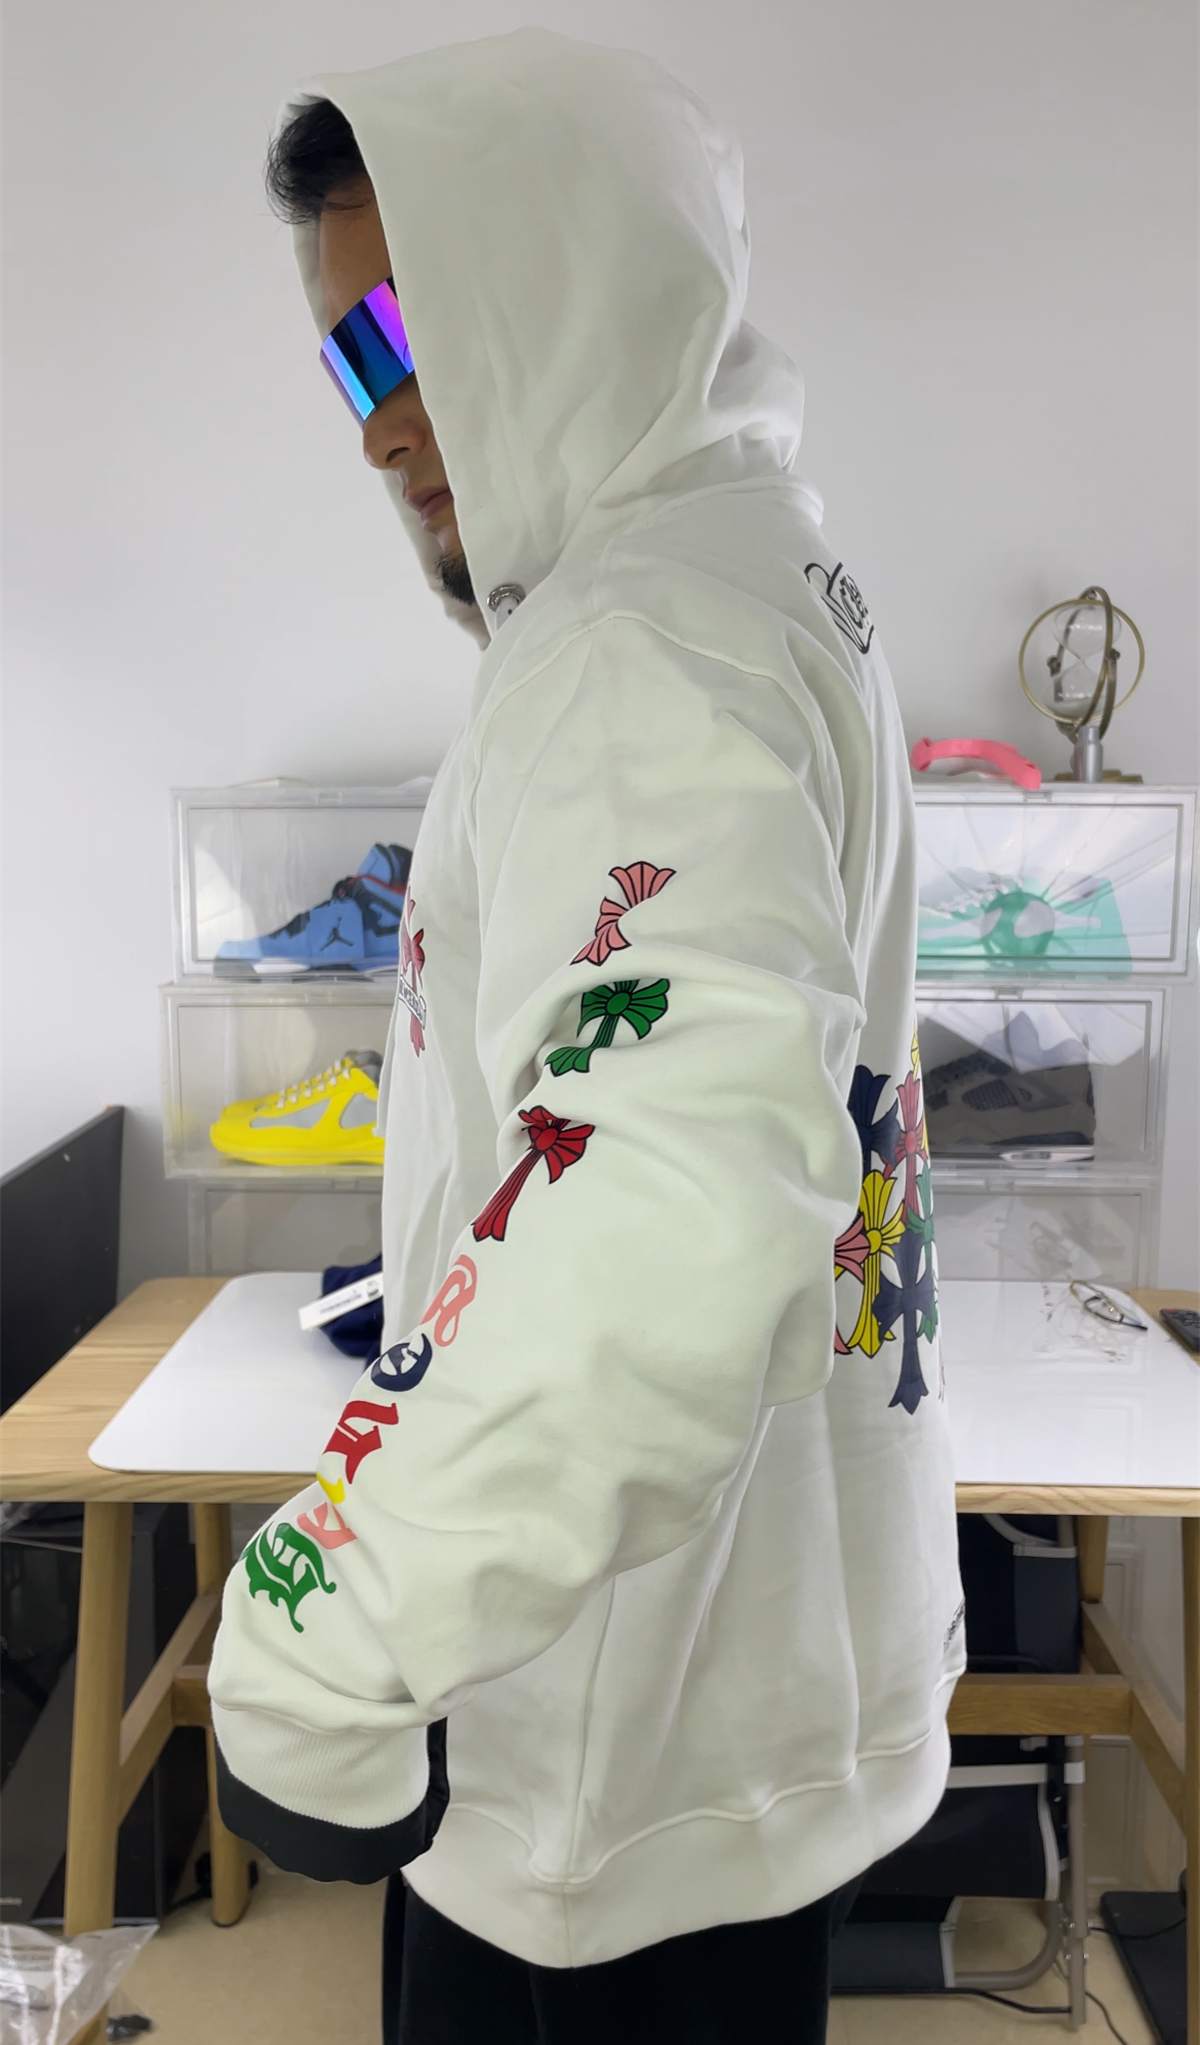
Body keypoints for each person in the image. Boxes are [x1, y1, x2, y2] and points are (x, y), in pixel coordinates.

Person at [207, 29, 964, 2044]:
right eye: (346, 362)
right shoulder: (763, 568)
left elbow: (670, 1195)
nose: (383, 425)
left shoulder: (643, 647)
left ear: (565, 283)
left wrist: (337, 1619)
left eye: (411, 331)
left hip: (607, 1749)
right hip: (722, 1683)